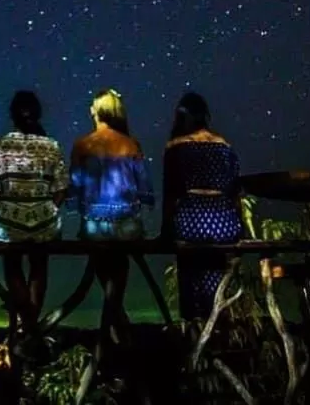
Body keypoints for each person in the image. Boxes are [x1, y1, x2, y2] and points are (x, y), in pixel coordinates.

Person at [0, 90, 68, 334]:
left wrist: (8, 208)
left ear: (12, 115)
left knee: (12, 266)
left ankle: (27, 322)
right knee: (39, 267)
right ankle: (32, 324)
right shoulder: (52, 146)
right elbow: (61, 189)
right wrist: (47, 210)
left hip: (9, 222)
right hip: (45, 221)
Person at [69, 89, 153, 337]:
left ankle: (115, 315)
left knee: (101, 259)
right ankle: (117, 314)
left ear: (98, 112)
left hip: (95, 225)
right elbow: (145, 188)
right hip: (127, 225)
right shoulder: (131, 144)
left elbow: (74, 188)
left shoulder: (82, 145)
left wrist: (77, 210)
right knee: (120, 261)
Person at [160, 91, 242, 320]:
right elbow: (235, 190)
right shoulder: (225, 146)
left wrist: (165, 230)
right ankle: (219, 322)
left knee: (190, 276)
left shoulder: (176, 147)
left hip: (192, 221)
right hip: (224, 222)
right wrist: (240, 225)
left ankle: (195, 326)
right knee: (217, 277)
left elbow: (170, 193)